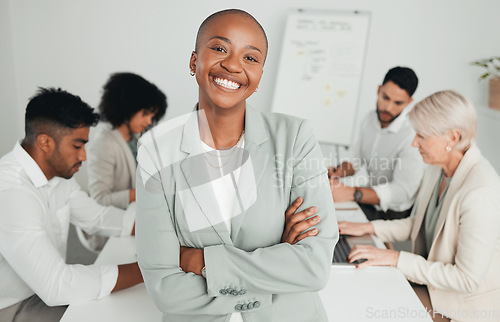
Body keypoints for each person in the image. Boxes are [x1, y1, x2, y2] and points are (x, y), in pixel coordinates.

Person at [135, 9, 337, 322]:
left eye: (251, 58)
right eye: (219, 49)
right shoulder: (156, 153)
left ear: (259, 77)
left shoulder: (295, 137)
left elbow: (315, 267)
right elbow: (164, 287)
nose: (232, 65)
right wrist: (278, 263)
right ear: (194, 61)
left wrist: (204, 262)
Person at [338, 90, 500, 321]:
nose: (414, 143)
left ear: (452, 138)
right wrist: (369, 228)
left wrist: (396, 258)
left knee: (370, 307)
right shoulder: (438, 168)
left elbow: (466, 279)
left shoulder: (480, 193)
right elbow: (420, 223)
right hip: (433, 287)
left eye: (422, 136)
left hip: (459, 306)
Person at [0, 88, 143, 322]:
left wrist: (163, 232)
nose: (84, 156)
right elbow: (57, 284)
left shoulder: (57, 175)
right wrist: (149, 268)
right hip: (12, 305)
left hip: (41, 288)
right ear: (45, 142)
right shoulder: (10, 192)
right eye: (78, 146)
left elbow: (97, 218)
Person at [82, 73, 167, 251]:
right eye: (145, 114)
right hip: (115, 225)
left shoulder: (134, 136)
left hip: (137, 212)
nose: (149, 121)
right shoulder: (103, 143)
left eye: (152, 116)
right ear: (127, 107)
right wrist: (138, 193)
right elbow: (99, 199)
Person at [329, 67, 425, 220]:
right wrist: (338, 171)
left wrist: (352, 192)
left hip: (394, 212)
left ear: (409, 102)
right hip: (368, 199)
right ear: (379, 90)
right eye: (385, 98)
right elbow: (356, 158)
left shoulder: (412, 136)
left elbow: (402, 191)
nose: (388, 108)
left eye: (398, 103)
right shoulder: (369, 119)